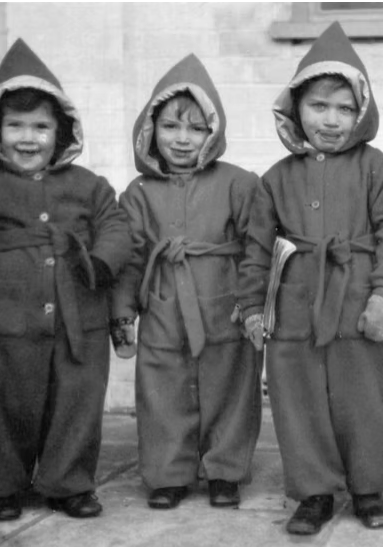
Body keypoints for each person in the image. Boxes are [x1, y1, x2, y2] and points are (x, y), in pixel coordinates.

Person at [0, 39, 132, 521]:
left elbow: (116, 225)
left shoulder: (90, 185)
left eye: (41, 126)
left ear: (61, 132)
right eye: (16, 125)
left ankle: (69, 483)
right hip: (1, 319)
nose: (28, 138)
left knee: (76, 404)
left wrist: (102, 262)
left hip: (77, 318)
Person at [236, 22, 383, 535]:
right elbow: (256, 249)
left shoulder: (381, 170)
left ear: (362, 113)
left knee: (365, 403)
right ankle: (313, 492)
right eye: (318, 106)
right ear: (296, 110)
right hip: (294, 309)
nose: (331, 120)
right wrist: (253, 307)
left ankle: (368, 488)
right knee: (299, 403)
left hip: (359, 305)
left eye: (344, 108)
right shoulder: (274, 179)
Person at [110, 54, 273, 510]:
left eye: (197, 128)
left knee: (232, 389)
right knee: (163, 390)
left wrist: (252, 304)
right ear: (150, 129)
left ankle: (225, 471)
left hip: (226, 305)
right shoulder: (138, 193)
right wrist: (123, 314)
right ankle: (168, 473)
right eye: (171, 126)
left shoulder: (240, 184)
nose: (183, 139)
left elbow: (256, 248)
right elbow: (130, 259)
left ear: (214, 132)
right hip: (163, 307)